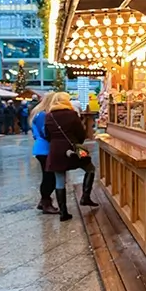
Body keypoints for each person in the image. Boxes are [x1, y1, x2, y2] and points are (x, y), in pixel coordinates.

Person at [45, 92, 98, 222]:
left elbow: (47, 135)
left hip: (56, 149)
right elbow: (81, 133)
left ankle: (63, 212)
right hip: (74, 147)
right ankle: (85, 197)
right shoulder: (72, 114)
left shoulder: (49, 116)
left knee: (59, 180)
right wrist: (78, 143)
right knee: (90, 168)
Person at [30, 92, 58, 214]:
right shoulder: (43, 115)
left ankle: (43, 201)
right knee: (49, 177)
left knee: (48, 176)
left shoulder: (38, 113)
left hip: (41, 148)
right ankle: (46, 202)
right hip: (45, 148)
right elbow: (45, 132)